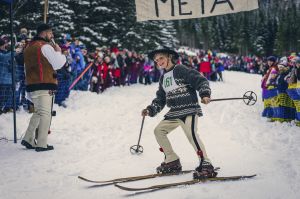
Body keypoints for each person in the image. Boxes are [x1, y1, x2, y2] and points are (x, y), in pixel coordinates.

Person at [141, 47, 216, 179]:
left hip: (189, 109)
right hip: (174, 112)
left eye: (161, 58)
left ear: (169, 57)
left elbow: (200, 80)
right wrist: (151, 109)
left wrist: (204, 93)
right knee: (159, 131)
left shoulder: (180, 69)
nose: (159, 62)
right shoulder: (163, 78)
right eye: (156, 60)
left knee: (191, 134)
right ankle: (171, 159)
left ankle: (206, 163)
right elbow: (161, 98)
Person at [21, 23, 66, 152]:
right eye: (51, 33)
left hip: (32, 84)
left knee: (38, 112)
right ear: (45, 33)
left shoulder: (29, 47)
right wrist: (59, 52)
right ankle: (42, 143)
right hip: (45, 83)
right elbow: (58, 64)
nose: (52, 35)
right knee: (46, 114)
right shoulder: (45, 47)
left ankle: (28, 138)